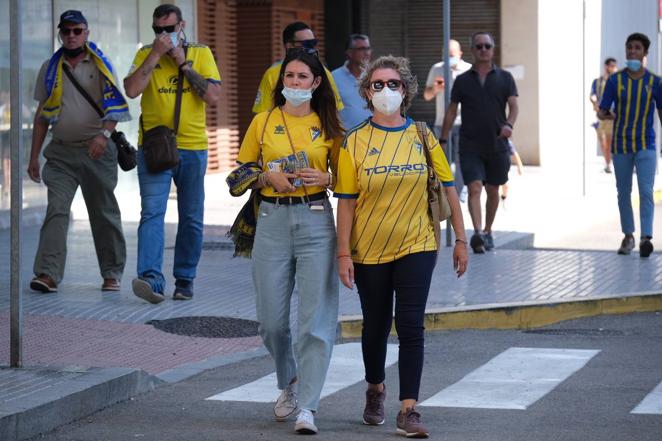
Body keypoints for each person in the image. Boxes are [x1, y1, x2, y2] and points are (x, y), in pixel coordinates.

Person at [335, 55, 468, 439]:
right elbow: (345, 201)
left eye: (393, 84)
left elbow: (449, 190)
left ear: (406, 90)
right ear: (365, 92)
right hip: (369, 247)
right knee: (375, 325)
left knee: (410, 324)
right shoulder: (355, 141)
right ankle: (375, 389)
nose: (385, 91)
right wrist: (343, 253)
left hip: (418, 243)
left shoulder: (423, 136)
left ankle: (409, 408)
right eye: (377, 85)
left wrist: (460, 240)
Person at [235, 47, 343, 435]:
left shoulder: (329, 126)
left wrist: (328, 179)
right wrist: (266, 178)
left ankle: (308, 408)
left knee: (315, 321)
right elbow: (238, 175)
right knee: (271, 322)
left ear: (316, 83)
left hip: (316, 221)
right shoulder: (263, 122)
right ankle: (289, 381)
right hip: (271, 219)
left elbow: (349, 180)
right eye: (289, 77)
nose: (294, 83)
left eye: (302, 77)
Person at [27, 10, 131, 293]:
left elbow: (115, 108)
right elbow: (41, 116)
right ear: (60, 34)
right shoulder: (50, 68)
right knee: (57, 210)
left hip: (96, 151)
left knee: (103, 212)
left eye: (77, 31)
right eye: (66, 31)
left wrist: (104, 135)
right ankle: (47, 274)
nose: (71, 36)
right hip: (60, 153)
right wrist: (34, 156)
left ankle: (111, 272)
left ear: (86, 33)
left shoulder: (100, 65)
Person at [124, 4, 221, 303]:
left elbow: (213, 96)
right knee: (152, 213)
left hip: (193, 147)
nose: (164, 35)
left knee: (191, 217)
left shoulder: (201, 53)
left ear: (182, 26)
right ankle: (152, 280)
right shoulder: (145, 55)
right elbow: (131, 90)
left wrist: (184, 64)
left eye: (169, 29)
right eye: (158, 30)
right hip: (155, 146)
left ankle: (185, 279)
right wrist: (155, 54)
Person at [441, 32, 518, 254]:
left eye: (487, 46)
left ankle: (487, 230)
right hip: (470, 145)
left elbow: (514, 107)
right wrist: (443, 139)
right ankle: (477, 233)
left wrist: (509, 125)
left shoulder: (505, 78)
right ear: (473, 51)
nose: (483, 50)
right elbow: (451, 110)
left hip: (497, 145)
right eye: (479, 46)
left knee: (493, 190)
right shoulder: (463, 81)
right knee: (474, 188)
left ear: (493, 50)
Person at [598, 32, 662, 257]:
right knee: (623, 192)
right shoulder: (615, 80)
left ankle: (646, 238)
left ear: (645, 53)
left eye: (637, 48)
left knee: (646, 191)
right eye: (629, 48)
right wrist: (606, 114)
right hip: (621, 145)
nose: (632, 52)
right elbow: (603, 110)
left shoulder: (655, 82)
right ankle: (628, 236)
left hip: (646, 143)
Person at [252, 21, 343, 114]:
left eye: (313, 43)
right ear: (289, 45)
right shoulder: (272, 74)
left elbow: (334, 110)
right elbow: (261, 113)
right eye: (307, 43)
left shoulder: (324, 72)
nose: (311, 47)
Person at [424, 39, 472, 200]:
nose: (448, 58)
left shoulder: (468, 70)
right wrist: (435, 89)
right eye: (445, 54)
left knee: (461, 160)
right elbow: (426, 95)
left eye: (451, 55)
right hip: (441, 123)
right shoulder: (437, 69)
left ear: (460, 54)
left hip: (463, 123)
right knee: (441, 160)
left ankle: (458, 195)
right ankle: (443, 194)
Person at [331, 34, 372, 130]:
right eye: (361, 49)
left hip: (373, 137)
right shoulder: (334, 77)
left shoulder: (375, 76)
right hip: (346, 138)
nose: (367, 53)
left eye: (368, 48)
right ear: (349, 52)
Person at [590, 57, 618, 173]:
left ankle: (609, 164)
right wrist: (594, 102)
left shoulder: (616, 81)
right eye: (611, 65)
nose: (613, 68)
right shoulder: (597, 82)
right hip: (600, 116)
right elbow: (592, 95)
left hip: (611, 116)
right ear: (606, 66)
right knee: (602, 142)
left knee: (609, 141)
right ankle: (608, 163)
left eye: (614, 66)